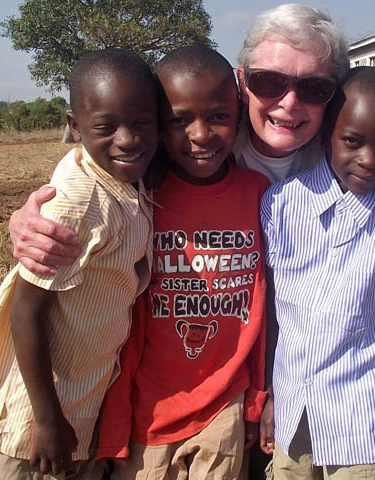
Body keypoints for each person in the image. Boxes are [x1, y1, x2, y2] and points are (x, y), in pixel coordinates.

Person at [7, 5, 375, 277]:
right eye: (268, 82)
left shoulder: (344, 161)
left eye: (312, 88)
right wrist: (30, 217)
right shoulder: (198, 146)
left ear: (333, 96)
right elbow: (98, 170)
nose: (288, 103)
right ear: (242, 81)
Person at [0, 48, 160, 479]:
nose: (128, 139)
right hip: (34, 426)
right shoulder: (78, 200)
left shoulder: (128, 183)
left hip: (80, 407)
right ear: (75, 126)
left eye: (142, 123)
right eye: (106, 127)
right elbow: (25, 313)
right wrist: (46, 420)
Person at [93, 45, 270, 479]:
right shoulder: (140, 196)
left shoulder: (260, 194)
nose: (201, 134)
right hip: (149, 408)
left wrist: (254, 399)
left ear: (240, 114)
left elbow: (262, 308)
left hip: (224, 401)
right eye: (178, 120)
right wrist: (116, 421)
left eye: (219, 116)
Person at [260, 66, 375, 479]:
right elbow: (274, 310)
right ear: (326, 132)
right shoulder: (280, 204)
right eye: (352, 141)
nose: (370, 159)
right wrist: (271, 395)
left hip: (362, 412)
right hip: (294, 408)